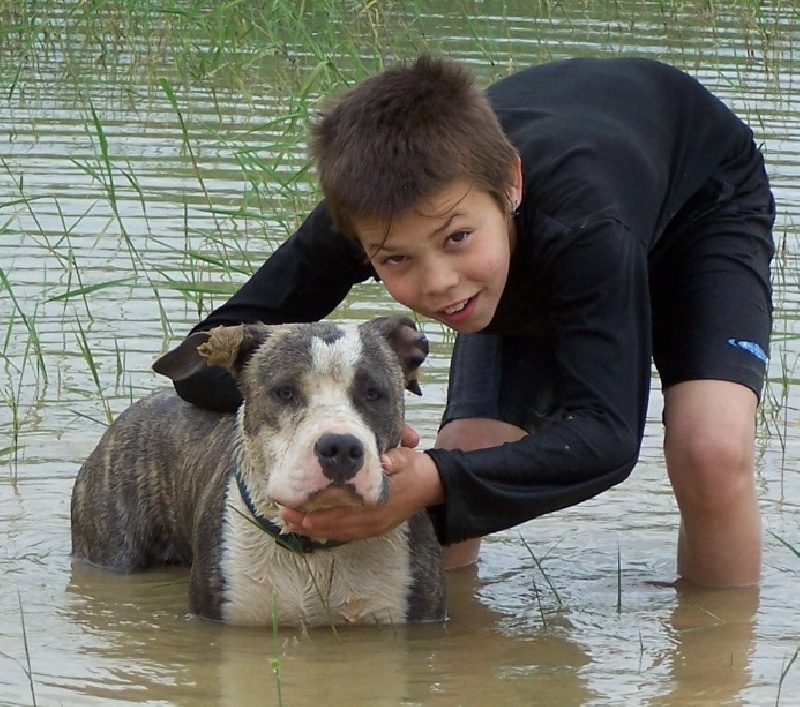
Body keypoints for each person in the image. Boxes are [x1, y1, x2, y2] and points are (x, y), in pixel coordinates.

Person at [174, 55, 775, 587]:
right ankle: (442, 655)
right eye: (395, 259)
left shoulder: (584, 232)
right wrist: (333, 418)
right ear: (359, 240)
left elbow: (608, 440)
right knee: (466, 449)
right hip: (544, 225)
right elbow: (203, 358)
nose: (438, 283)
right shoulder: (368, 207)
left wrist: (433, 479)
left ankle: (714, 666)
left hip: (699, 206)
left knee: (709, 450)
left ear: (509, 183)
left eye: (456, 238)